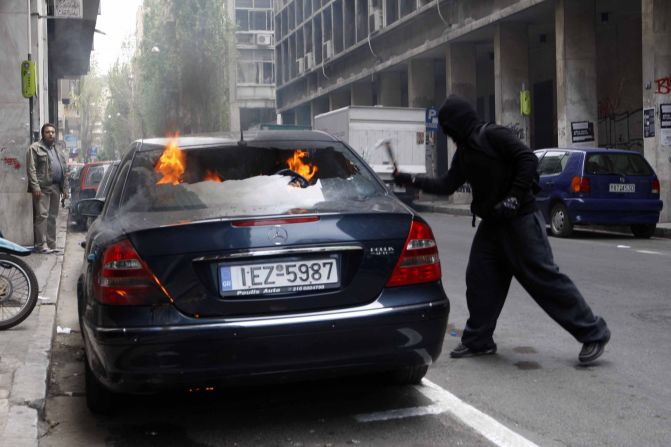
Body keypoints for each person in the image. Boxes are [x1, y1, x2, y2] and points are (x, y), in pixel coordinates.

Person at [393, 95, 610, 364]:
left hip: (520, 220)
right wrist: (410, 180)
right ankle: (478, 340)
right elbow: (447, 185)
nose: (448, 135)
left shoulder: (493, 135)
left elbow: (527, 159)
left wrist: (514, 197)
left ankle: (593, 333)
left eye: (448, 128)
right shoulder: (464, 153)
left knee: (544, 280)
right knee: (480, 279)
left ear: (458, 123)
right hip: (492, 225)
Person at [26, 123, 69, 254]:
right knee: (42, 216)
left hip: (56, 187)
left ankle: (52, 244)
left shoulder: (58, 149)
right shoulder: (35, 148)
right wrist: (35, 186)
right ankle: (40, 245)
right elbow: (31, 169)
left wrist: (65, 188)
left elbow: (64, 169)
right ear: (42, 134)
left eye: (52, 132)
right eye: (47, 132)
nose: (51, 134)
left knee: (52, 217)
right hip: (42, 188)